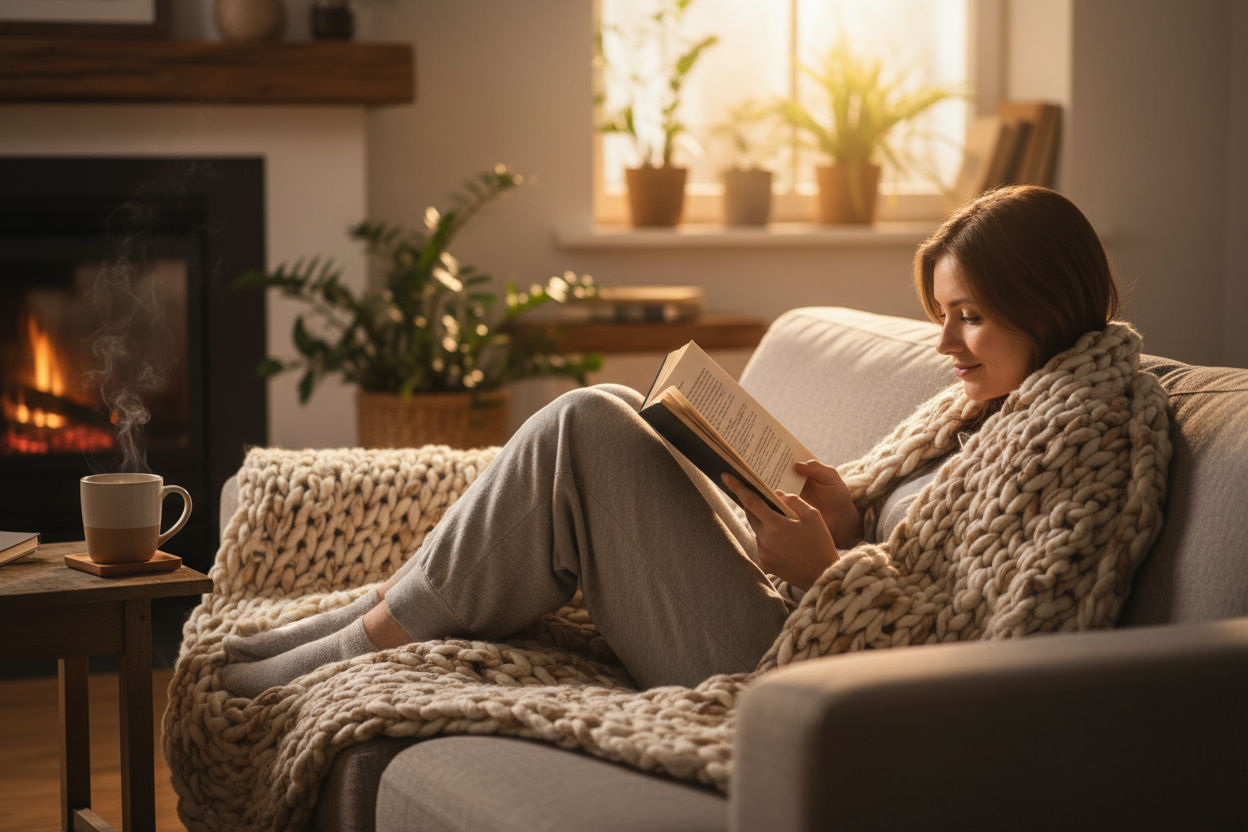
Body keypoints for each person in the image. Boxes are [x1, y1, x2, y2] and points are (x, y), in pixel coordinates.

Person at [221, 186, 1165, 698]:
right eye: (943, 314)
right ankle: (360, 627)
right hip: (798, 614)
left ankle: (357, 640)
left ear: (1042, 304)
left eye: (970, 317)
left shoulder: (1084, 434)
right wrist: (851, 511)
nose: (944, 342)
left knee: (585, 422)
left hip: (804, 669)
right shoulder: (1003, 398)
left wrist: (826, 569)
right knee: (604, 409)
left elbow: (1001, 658)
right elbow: (919, 555)